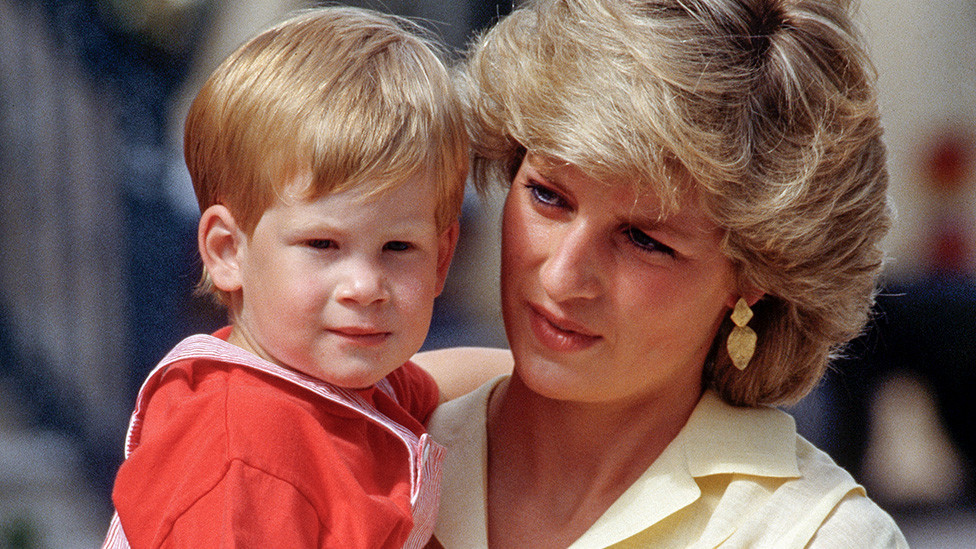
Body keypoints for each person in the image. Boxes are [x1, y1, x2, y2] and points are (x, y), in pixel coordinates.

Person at [415, 0, 910, 546]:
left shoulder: (817, 535)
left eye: (644, 240)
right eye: (548, 196)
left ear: (758, 274)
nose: (561, 277)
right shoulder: (379, 437)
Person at [101, 6, 468, 548]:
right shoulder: (241, 460)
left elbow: (459, 377)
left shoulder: (340, 382)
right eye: (323, 245)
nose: (365, 286)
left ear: (441, 258)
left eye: (398, 247)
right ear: (228, 251)